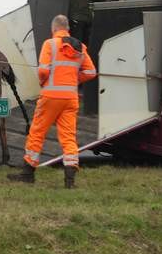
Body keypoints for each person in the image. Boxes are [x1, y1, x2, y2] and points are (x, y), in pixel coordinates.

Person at [11, 14, 97, 188]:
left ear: (53, 29)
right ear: (67, 29)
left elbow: (43, 71)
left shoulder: (49, 44)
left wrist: (44, 82)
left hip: (50, 97)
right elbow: (91, 72)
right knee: (68, 137)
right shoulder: (80, 47)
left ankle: (28, 174)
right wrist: (74, 80)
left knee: (37, 132)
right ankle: (70, 181)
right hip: (70, 99)